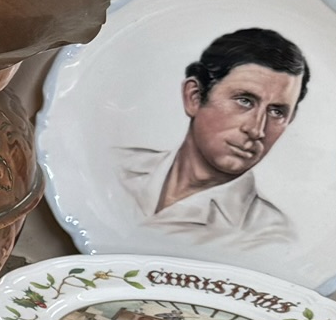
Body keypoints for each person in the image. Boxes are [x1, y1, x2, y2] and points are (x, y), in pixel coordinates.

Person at [115, 28, 308, 248]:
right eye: (244, 100)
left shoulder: (270, 236)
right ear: (194, 97)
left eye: (277, 112)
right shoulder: (116, 167)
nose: (256, 130)